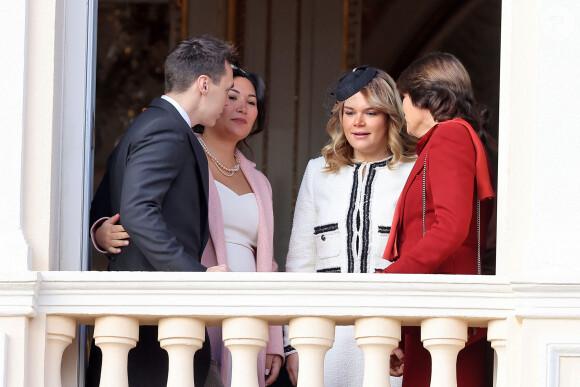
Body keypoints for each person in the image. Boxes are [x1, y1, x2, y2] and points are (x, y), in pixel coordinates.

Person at [90, 68, 284, 387]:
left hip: (246, 309)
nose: (241, 107)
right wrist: (100, 230)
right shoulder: (179, 146)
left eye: (252, 102)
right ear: (213, 96)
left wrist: (274, 338)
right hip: (198, 296)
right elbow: (129, 195)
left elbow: (269, 262)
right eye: (232, 96)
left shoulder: (259, 180)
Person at [86, 35, 237, 387]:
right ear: (204, 85)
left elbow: (107, 203)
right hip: (150, 320)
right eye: (227, 92)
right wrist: (195, 275)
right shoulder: (167, 130)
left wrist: (100, 229)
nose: (228, 105)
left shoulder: (146, 125)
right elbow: (137, 210)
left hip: (142, 318)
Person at [284, 66, 416, 387]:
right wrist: (292, 345)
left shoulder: (413, 171)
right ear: (339, 118)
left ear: (389, 117)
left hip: (391, 335)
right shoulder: (318, 172)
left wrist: (410, 340)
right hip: (325, 339)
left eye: (370, 112)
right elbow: (300, 263)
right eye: (349, 111)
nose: (358, 122)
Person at [379, 52, 496, 387]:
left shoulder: (450, 136)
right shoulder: (446, 140)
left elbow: (450, 227)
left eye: (402, 98)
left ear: (425, 97)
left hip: (445, 313)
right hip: (435, 311)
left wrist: (389, 279)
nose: (400, 110)